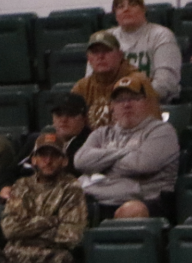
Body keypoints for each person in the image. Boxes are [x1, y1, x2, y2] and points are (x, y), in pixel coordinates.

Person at [0, 132, 86, 263]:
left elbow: (70, 236)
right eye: (43, 155)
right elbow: (9, 229)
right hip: (12, 255)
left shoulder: (71, 187)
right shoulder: (22, 185)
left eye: (54, 156)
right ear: (34, 159)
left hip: (47, 256)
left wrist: (26, 230)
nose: (48, 161)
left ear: (64, 160)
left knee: (63, 260)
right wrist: (51, 221)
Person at [72, 72, 177, 218]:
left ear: (146, 103)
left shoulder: (162, 132)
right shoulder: (102, 133)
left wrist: (100, 165)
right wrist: (126, 152)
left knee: (132, 211)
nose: (127, 105)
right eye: (120, 100)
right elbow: (80, 161)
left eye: (134, 98)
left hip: (145, 200)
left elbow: (141, 165)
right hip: (97, 198)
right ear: (112, 106)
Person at [109, 0, 181, 102]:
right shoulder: (107, 39)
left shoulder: (161, 35)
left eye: (132, 5)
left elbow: (166, 83)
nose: (126, 9)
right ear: (115, 14)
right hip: (116, 105)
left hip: (157, 104)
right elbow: (92, 81)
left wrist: (133, 100)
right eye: (120, 6)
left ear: (143, 9)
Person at [73, 29, 140, 128]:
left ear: (120, 54)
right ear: (88, 58)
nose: (100, 56)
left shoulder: (136, 82)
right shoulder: (82, 87)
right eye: (95, 52)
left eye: (106, 50)